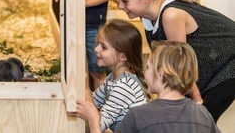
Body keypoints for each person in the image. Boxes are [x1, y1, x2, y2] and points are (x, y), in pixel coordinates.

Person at [114, 0, 235, 123]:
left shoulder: (171, 15)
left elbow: (179, 66)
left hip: (229, 64)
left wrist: (198, 101)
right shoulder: (148, 19)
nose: (120, 6)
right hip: (213, 62)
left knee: (202, 119)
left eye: (124, 0)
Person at [83, 41, 221, 133]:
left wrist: (94, 120)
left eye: (148, 67)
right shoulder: (203, 114)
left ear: (160, 74)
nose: (145, 72)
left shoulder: (138, 115)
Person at [69, 19, 149, 132]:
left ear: (123, 56)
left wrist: (86, 88)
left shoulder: (124, 85)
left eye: (104, 47)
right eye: (98, 44)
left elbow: (98, 124)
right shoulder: (113, 77)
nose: (96, 49)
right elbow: (94, 101)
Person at [85, 0, 114, 91]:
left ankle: (104, 111)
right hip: (75, 22)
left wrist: (81, 4)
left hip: (93, 24)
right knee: (85, 72)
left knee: (97, 72)